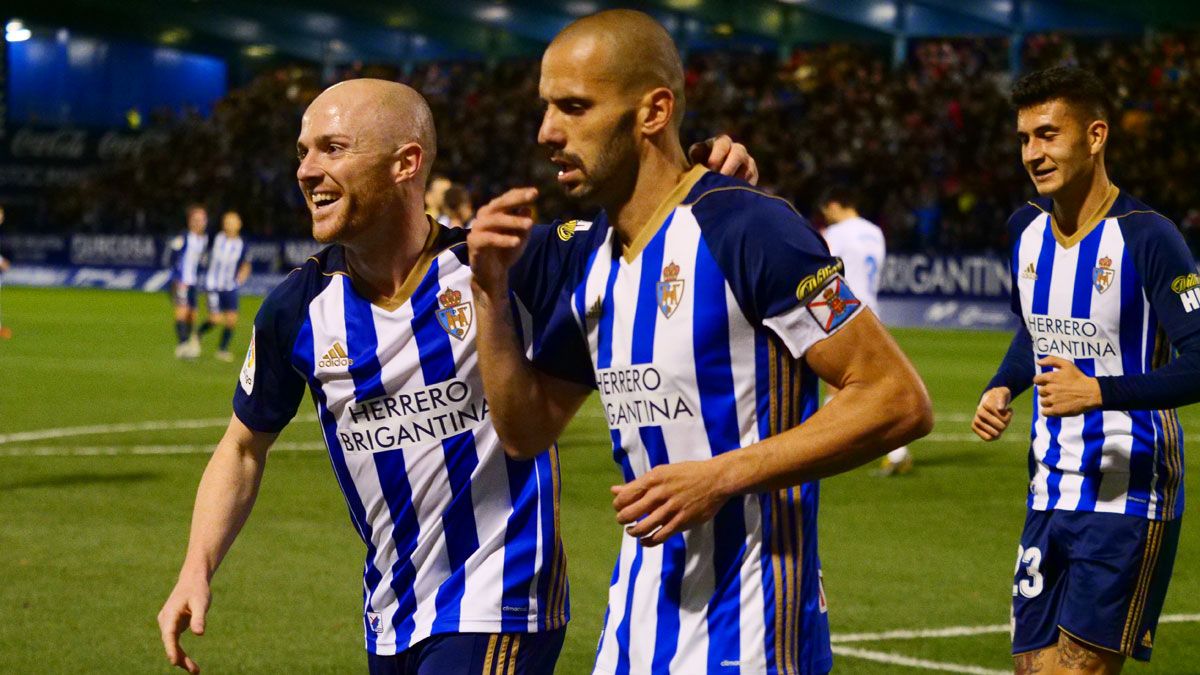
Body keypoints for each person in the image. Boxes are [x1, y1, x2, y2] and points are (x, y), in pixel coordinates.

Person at [155, 77, 757, 674]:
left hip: (502, 601)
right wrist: (195, 568)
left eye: (332, 149)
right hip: (391, 613)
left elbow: (642, 227)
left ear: (406, 164)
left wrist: (700, 176)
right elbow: (242, 446)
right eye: (302, 151)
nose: (307, 170)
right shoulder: (297, 308)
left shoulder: (504, 262)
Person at [468, 10, 933, 674]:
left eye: (573, 107)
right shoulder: (592, 258)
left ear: (654, 111)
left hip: (752, 635)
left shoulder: (751, 228)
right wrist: (490, 296)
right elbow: (526, 428)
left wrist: (721, 475)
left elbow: (896, 398)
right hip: (634, 632)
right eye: (545, 108)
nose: (547, 132)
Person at [971, 66, 1195, 674]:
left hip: (1128, 491)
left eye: (1048, 135)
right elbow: (1035, 331)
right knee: (1032, 669)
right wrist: (1002, 383)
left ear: (1095, 136)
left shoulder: (1149, 238)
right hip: (1050, 487)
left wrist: (1098, 391)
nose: (1033, 154)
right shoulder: (1025, 232)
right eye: (1024, 139)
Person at [816, 186, 911, 476]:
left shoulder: (835, 234)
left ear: (833, 204)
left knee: (838, 382)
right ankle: (894, 451)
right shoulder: (874, 232)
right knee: (866, 385)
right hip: (873, 313)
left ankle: (826, 450)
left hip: (844, 314)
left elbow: (820, 273)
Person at [198, 210, 252, 362]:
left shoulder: (242, 244)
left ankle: (222, 350)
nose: (230, 225)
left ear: (239, 225)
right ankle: (198, 333)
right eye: (227, 222)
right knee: (215, 319)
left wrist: (242, 276)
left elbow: (246, 264)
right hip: (213, 285)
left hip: (230, 286)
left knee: (231, 320)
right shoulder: (215, 238)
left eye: (233, 222)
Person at [167, 204, 210, 359]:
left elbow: (202, 262)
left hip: (193, 282)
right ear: (189, 221)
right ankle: (182, 344)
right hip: (181, 281)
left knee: (193, 314)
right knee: (182, 311)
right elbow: (172, 257)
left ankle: (187, 341)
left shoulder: (204, 239)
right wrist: (177, 277)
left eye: (202, 220)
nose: (199, 223)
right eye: (196, 219)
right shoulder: (183, 237)